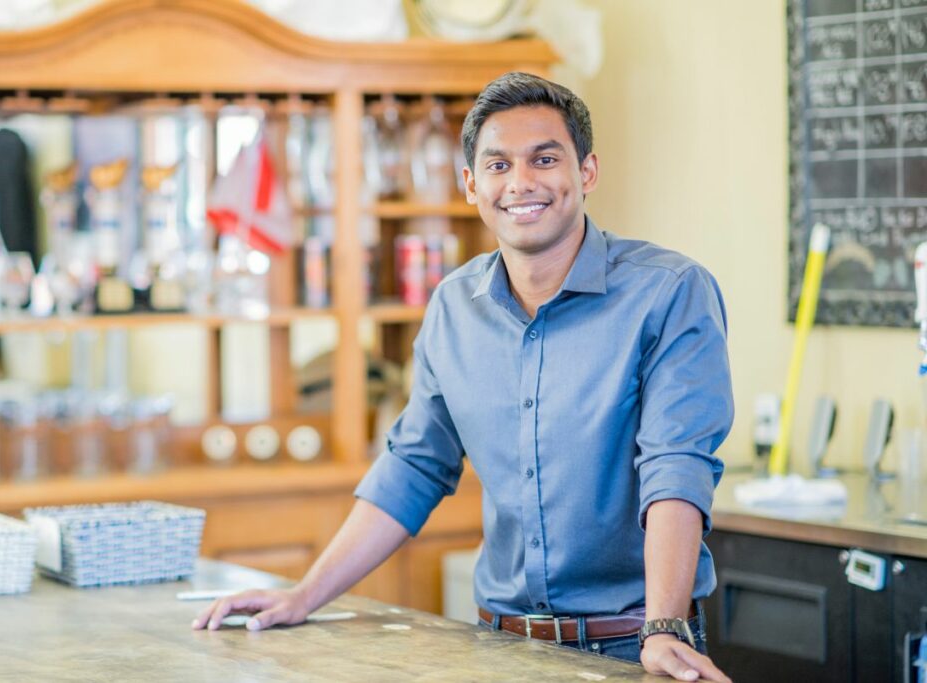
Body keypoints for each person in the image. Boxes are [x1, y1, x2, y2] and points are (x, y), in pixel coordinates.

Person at [193, 72, 734, 683]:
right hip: (498, 646)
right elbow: (414, 466)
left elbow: (675, 466)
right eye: (498, 165)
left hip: (633, 647)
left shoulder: (669, 292)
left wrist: (663, 628)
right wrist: (303, 596)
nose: (521, 182)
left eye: (545, 159)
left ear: (586, 172)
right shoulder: (454, 306)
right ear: (472, 184)